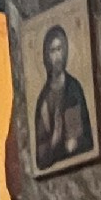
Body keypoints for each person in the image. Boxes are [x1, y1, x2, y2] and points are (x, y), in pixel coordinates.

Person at [30, 23, 92, 170]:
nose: (57, 56)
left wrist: (75, 141)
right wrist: (54, 140)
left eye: (59, 49)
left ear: (65, 51)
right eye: (52, 51)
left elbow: (86, 137)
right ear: (47, 56)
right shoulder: (43, 100)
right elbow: (41, 157)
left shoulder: (74, 88)